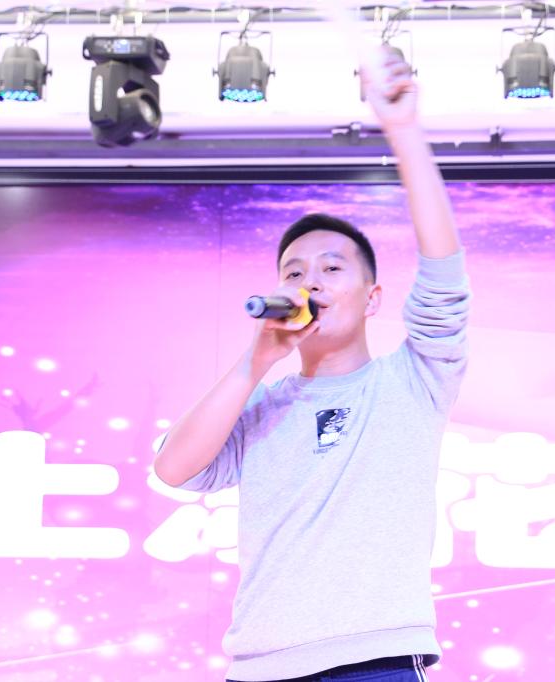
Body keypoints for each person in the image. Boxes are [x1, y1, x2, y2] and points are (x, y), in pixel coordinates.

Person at [153, 47, 469, 682]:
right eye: (294, 273)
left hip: (374, 660)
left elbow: (443, 273)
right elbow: (173, 469)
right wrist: (255, 363)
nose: (311, 281)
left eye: (331, 268)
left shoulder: (412, 380)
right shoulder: (262, 406)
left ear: (372, 297)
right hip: (261, 665)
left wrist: (404, 132)